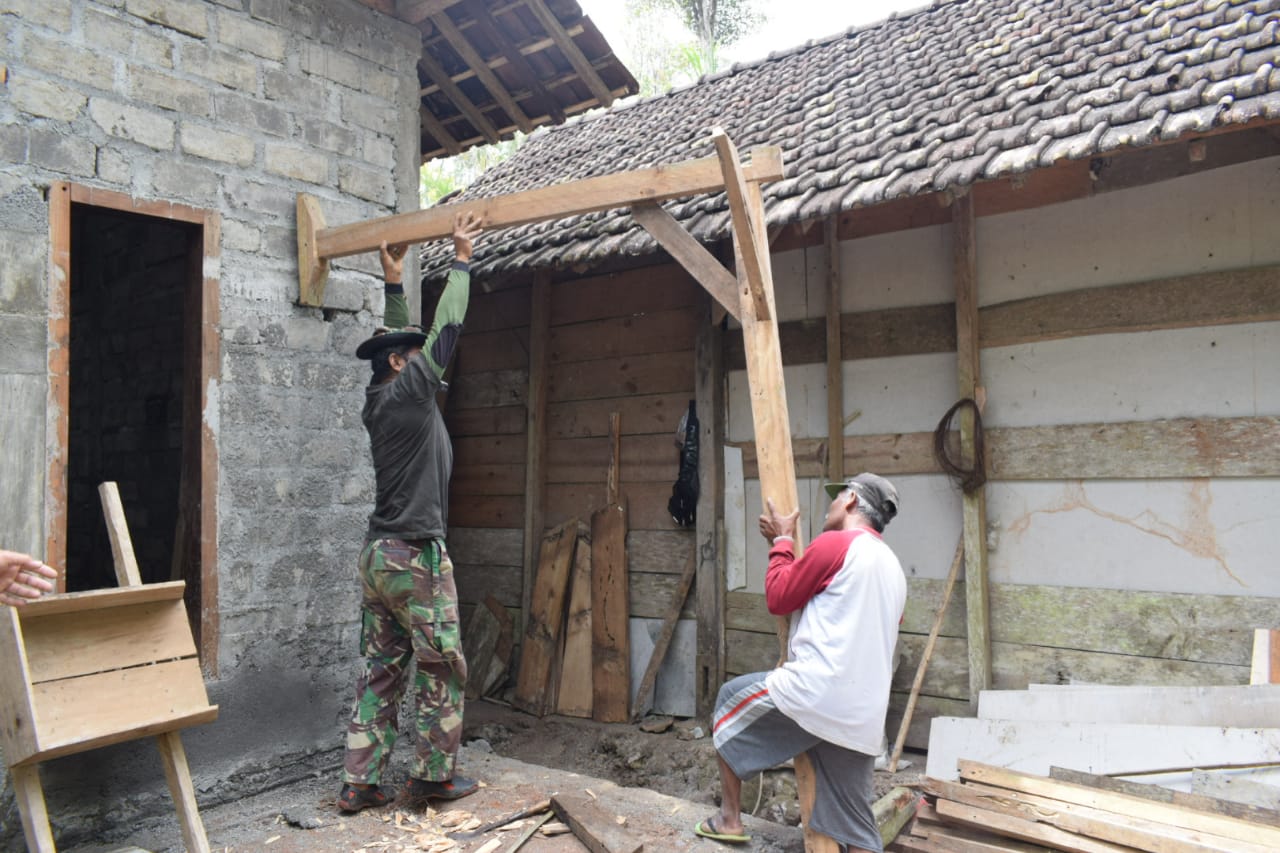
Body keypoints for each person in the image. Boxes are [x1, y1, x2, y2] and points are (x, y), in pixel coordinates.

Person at [337, 211, 484, 814]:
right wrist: (462, 259)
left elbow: (402, 343)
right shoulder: (412, 390)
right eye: (413, 353)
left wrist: (394, 283)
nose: (426, 357)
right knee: (442, 666)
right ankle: (430, 778)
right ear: (402, 364)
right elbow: (448, 329)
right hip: (415, 556)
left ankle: (360, 782)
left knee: (382, 669)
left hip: (378, 558)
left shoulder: (381, 397)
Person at [697, 473, 906, 851]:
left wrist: (781, 542)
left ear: (851, 502)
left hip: (817, 692)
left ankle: (729, 818)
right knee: (857, 825)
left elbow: (780, 597)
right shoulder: (893, 568)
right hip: (864, 716)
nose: (830, 503)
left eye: (837, 495)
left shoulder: (836, 544)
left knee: (728, 701)